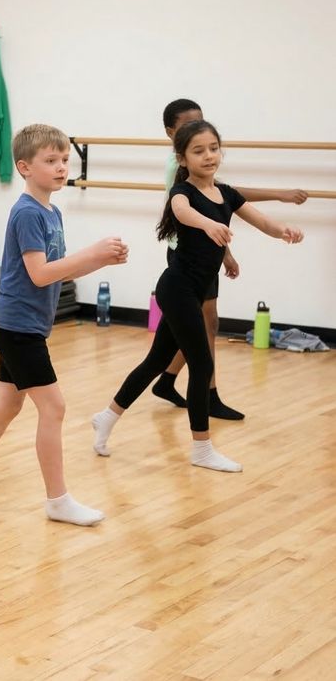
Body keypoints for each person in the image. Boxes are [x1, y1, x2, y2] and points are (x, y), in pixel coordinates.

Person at [91, 120, 304, 473]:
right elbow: (182, 213)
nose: (208, 156)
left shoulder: (227, 193)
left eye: (213, 148)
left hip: (193, 289)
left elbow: (264, 223)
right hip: (177, 289)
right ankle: (202, 448)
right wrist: (207, 224)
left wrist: (285, 232)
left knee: (156, 361)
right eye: (198, 150)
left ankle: (106, 417)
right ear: (183, 159)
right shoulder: (184, 193)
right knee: (202, 362)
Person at [0, 124, 128, 527]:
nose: (62, 167)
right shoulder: (28, 212)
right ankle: (58, 500)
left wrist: (100, 257)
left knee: (8, 405)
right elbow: (41, 274)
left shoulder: (51, 210)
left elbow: (52, 269)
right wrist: (95, 256)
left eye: (65, 159)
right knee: (54, 407)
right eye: (51, 161)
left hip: (22, 324)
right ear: (25, 167)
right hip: (16, 327)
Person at [150, 98, 309, 420]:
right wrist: (225, 247)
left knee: (194, 327)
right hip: (187, 257)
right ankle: (205, 395)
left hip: (206, 253)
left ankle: (167, 382)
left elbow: (223, 199)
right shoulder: (177, 169)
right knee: (200, 327)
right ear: (172, 136)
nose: (204, 148)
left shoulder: (201, 167)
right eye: (187, 128)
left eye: (210, 142)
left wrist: (235, 247)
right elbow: (191, 212)